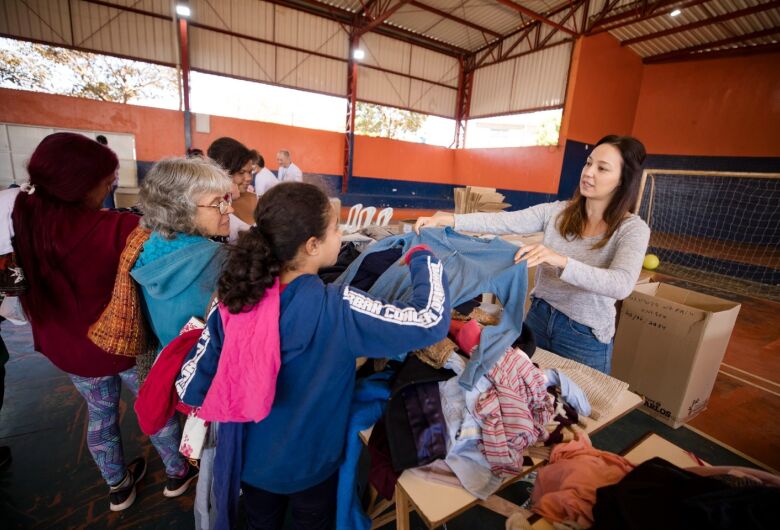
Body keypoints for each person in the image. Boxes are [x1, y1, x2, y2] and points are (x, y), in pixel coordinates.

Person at [178, 182, 451, 529]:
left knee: (260, 523)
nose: (341, 236)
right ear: (312, 245)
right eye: (335, 228)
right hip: (314, 464)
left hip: (252, 464)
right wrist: (425, 258)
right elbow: (429, 320)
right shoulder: (340, 309)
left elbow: (189, 387)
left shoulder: (232, 304)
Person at [10, 132, 185, 511]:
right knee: (155, 405)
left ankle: (118, 485)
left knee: (101, 414)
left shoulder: (23, 221)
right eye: (106, 183)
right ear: (79, 186)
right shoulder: (119, 230)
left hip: (68, 349)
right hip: (123, 346)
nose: (110, 189)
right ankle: (177, 471)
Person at [415, 135, 650, 374]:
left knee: (581, 397)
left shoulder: (632, 229)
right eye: (588, 163)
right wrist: (449, 219)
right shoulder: (557, 212)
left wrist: (560, 261)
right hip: (538, 318)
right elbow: (504, 221)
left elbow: (621, 284)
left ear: (622, 180)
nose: (588, 173)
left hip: (584, 336)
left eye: (602, 168)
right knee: (526, 388)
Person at [132, 157, 233, 351]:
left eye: (226, 199)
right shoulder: (221, 260)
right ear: (181, 210)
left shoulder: (149, 249)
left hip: (168, 359)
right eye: (217, 203)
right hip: (210, 363)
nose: (229, 208)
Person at [207, 137, 258, 242]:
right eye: (241, 172)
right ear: (222, 173)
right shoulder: (213, 206)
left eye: (250, 172)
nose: (249, 178)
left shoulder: (256, 199)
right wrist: (227, 198)